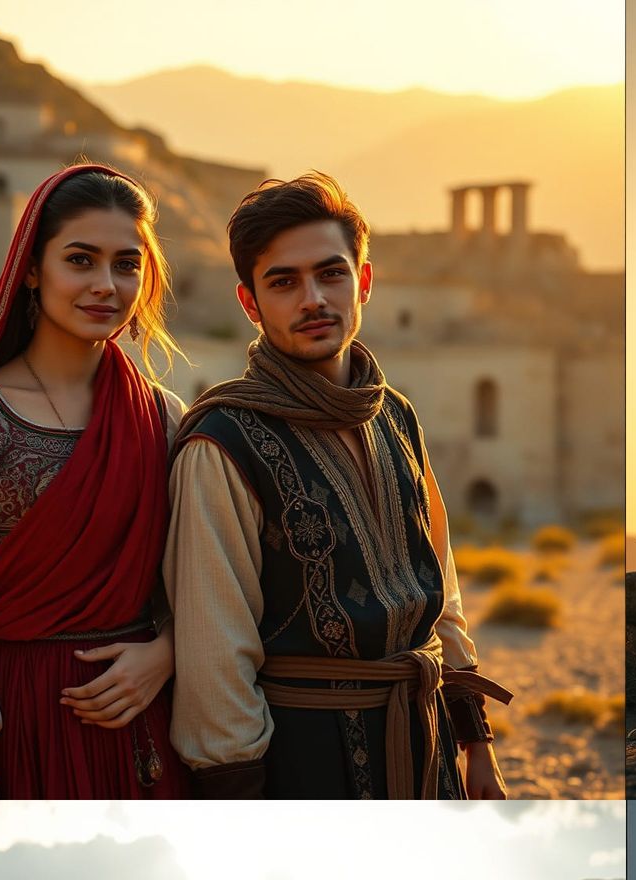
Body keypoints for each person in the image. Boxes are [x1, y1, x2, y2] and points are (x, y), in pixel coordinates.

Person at [164, 172, 511, 799]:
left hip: (423, 742)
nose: (313, 299)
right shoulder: (222, 443)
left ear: (365, 282)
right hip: (302, 759)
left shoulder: (395, 416)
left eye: (331, 274)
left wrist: (476, 744)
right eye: (283, 282)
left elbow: (444, 594)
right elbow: (216, 656)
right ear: (250, 303)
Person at [0, 165, 192, 799]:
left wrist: (167, 652)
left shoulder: (160, 418)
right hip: (13, 735)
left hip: (141, 736)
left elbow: (202, 584)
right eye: (81, 259)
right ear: (31, 268)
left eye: (126, 264)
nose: (106, 285)